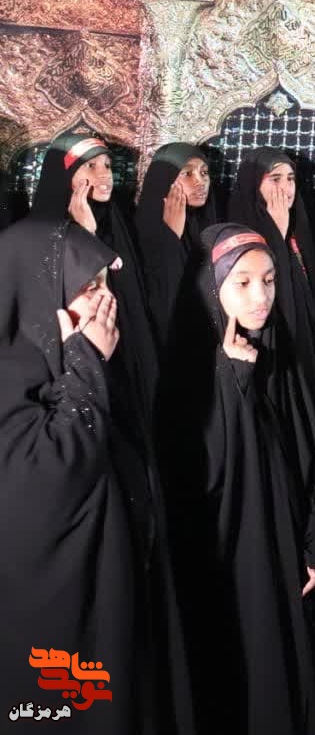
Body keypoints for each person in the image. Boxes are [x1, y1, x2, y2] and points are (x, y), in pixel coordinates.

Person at [0, 219, 195, 735]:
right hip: (53, 627)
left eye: (107, 286)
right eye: (89, 288)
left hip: (111, 601)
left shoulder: (94, 369)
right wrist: (85, 364)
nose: (107, 301)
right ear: (40, 295)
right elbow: (48, 478)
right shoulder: (12, 378)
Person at [158, 223, 315, 735]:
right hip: (232, 572)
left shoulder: (279, 353)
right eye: (241, 283)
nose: (261, 297)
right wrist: (231, 385)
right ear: (210, 288)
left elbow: (307, 457)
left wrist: (314, 540)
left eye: (269, 280)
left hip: (286, 553)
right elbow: (199, 485)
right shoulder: (187, 375)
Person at [30, 134, 161, 443]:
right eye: (90, 166)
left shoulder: (116, 221)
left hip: (124, 353)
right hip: (78, 363)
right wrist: (84, 235)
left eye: (107, 165)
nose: (105, 175)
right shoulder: (40, 231)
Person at [227, 147, 315, 390]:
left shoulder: (299, 225)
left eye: (290, 179)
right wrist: (275, 236)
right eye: (275, 178)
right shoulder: (238, 230)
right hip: (270, 347)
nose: (286, 187)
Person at [134, 142, 220, 343]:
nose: (200, 181)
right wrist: (170, 237)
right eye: (187, 174)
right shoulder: (138, 232)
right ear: (164, 179)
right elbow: (162, 300)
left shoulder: (211, 225)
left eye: (204, 173)